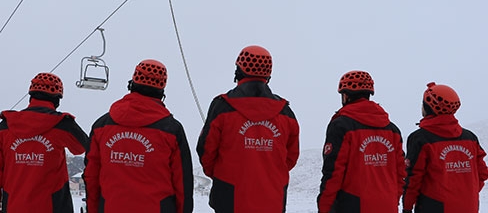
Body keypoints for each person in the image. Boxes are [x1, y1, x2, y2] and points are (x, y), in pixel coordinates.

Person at [197, 45, 300, 212]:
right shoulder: (285, 113)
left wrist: (221, 175)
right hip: (272, 200)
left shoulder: (222, 107)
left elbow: (206, 150)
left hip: (229, 199)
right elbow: (290, 157)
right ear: (268, 74)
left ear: (238, 71)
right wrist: (267, 172)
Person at [83, 59, 193, 213]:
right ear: (161, 90)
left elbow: (91, 177)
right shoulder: (172, 130)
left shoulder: (102, 126)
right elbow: (183, 183)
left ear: (132, 84)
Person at [0, 72, 89, 213]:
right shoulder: (62, 125)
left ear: (31, 96)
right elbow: (82, 147)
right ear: (57, 99)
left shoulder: (5, 128)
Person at [317, 70, 406, 213]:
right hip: (387, 206)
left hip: (352, 205)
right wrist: (391, 199)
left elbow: (333, 173)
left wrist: (324, 207)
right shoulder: (392, 129)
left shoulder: (341, 126)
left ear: (345, 95)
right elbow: (401, 172)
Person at [402, 82, 488, 213]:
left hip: (433, 206)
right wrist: (464, 194)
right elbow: (482, 173)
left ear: (428, 107)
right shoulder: (470, 138)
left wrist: (407, 207)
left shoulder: (421, 139)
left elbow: (413, 178)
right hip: (468, 207)